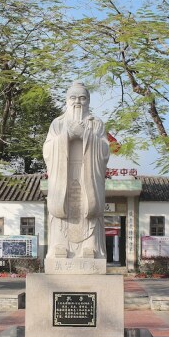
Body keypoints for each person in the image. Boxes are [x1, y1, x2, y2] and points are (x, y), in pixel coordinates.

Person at [43, 82, 110, 259]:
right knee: (62, 205)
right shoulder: (57, 123)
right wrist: (67, 136)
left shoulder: (96, 124)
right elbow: (48, 150)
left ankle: (90, 248)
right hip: (63, 172)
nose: (77, 102)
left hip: (88, 171)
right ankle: (60, 246)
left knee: (89, 206)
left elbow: (104, 151)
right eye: (73, 98)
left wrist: (86, 135)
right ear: (67, 100)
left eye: (82, 98)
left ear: (88, 101)